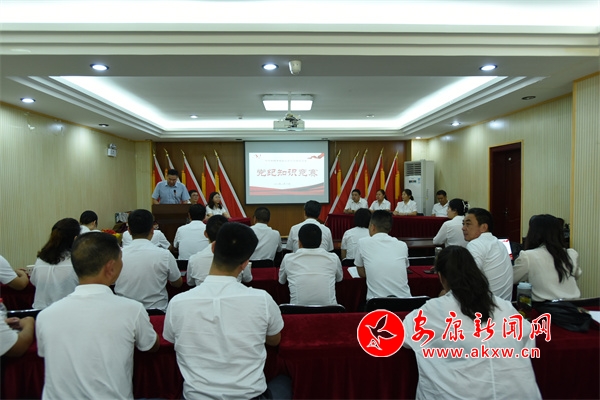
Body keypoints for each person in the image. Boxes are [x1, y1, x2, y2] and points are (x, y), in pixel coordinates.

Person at [164, 223, 285, 399]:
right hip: (250, 396)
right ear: (245, 264)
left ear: (213, 247)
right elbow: (274, 340)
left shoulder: (177, 303)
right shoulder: (263, 300)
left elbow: (170, 339)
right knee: (285, 383)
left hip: (195, 397)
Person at [403, 246, 541, 400]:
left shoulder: (435, 310)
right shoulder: (504, 307)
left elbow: (403, 335)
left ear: (441, 277)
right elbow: (528, 340)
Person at [36, 232, 159, 399]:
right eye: (121, 259)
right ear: (110, 267)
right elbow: (150, 346)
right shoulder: (132, 310)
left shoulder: (46, 316)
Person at [114, 209, 182, 311]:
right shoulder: (165, 255)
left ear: (129, 231)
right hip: (157, 313)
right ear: (152, 230)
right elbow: (178, 283)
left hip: (125, 312)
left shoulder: (116, 256)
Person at [513, 214, 581, 301]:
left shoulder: (528, 256)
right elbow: (577, 274)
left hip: (545, 307)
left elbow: (512, 279)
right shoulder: (571, 254)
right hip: (574, 305)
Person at [279, 224, 343, 305]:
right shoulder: (333, 258)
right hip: (330, 310)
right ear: (321, 241)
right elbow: (339, 279)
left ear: (299, 243)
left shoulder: (288, 259)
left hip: (297, 311)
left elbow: (282, 281)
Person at [355, 210, 411, 300]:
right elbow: (404, 268)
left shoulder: (363, 243)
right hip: (406, 302)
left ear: (372, 227)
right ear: (390, 229)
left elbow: (361, 273)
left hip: (377, 303)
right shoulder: (402, 245)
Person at [463, 208, 513, 301]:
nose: (463, 228)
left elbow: (468, 279)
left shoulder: (476, 244)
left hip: (486, 306)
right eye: (463, 224)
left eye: (468, 224)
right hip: (505, 305)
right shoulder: (500, 244)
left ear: (484, 227)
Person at [187, 215, 252, 286]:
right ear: (230, 234)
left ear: (206, 234)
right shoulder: (240, 256)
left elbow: (190, 283)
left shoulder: (193, 259)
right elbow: (247, 278)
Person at [31, 218, 81, 309]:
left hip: (39, 312)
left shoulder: (41, 259)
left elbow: (34, 281)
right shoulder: (76, 261)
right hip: (66, 311)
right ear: (75, 239)